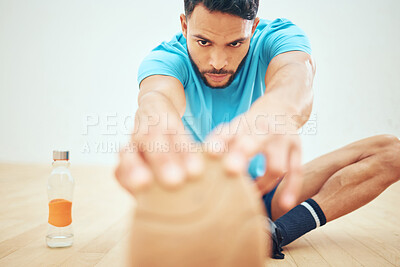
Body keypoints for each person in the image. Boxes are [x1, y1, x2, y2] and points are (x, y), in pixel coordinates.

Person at [115, 0, 400, 260]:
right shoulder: (165, 59)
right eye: (203, 41)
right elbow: (156, 97)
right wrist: (153, 123)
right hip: (202, 202)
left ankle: (274, 234)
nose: (218, 61)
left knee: (391, 152)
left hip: (267, 192)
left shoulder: (278, 37)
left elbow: (297, 75)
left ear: (253, 27)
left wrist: (276, 111)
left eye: (235, 43)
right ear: (184, 25)